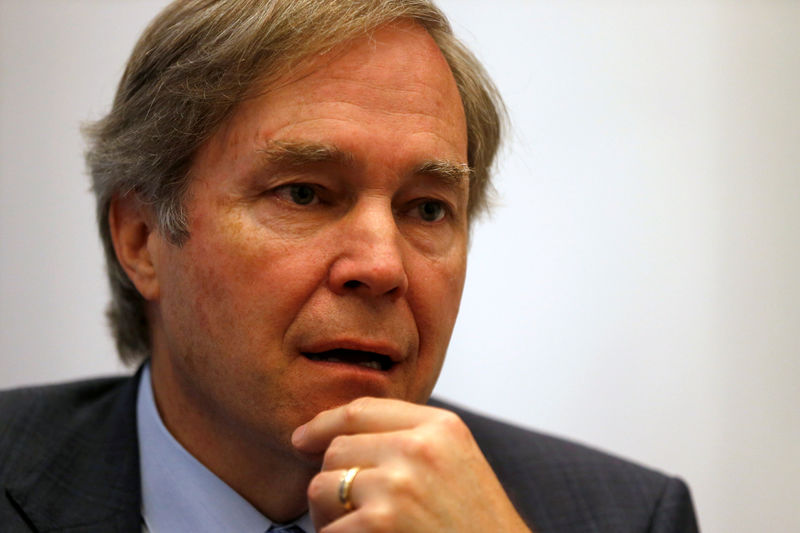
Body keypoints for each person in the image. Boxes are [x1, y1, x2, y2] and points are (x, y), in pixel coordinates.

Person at [0, 1, 699, 532]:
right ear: (142, 237)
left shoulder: (627, 515)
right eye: (303, 193)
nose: (381, 265)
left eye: (427, 209)